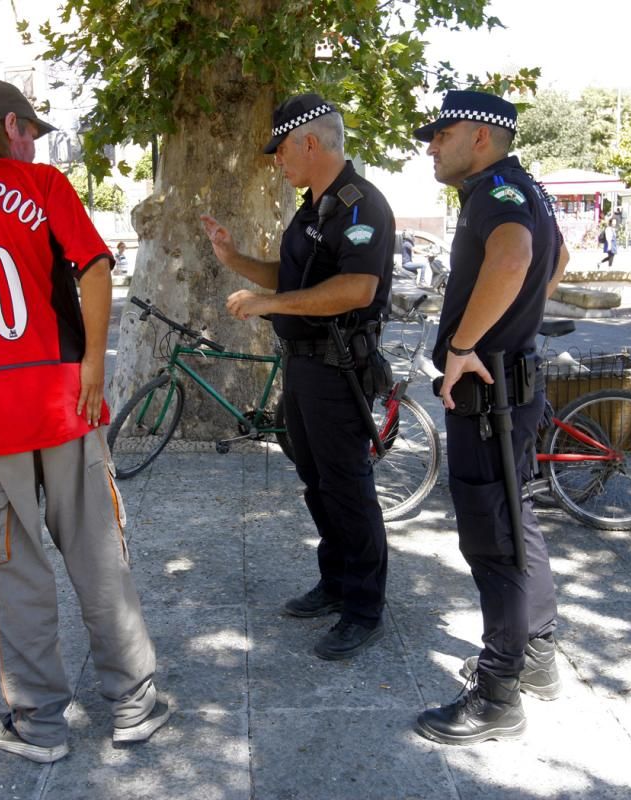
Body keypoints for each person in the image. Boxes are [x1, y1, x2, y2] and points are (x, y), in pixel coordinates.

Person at [0, 78, 169, 763]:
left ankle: (40, 726)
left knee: (10, 574)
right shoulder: (43, 185)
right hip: (63, 406)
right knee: (98, 557)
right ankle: (135, 707)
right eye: (33, 131)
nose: (36, 143)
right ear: (11, 125)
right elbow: (96, 268)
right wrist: (91, 367)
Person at [201, 93, 395, 661]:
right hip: (306, 365)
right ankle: (335, 582)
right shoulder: (315, 208)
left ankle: (364, 607)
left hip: (339, 369)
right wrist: (236, 259)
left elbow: (356, 289)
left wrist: (268, 303)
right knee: (316, 482)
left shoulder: (362, 207)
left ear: (310, 142)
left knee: (348, 487)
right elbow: (291, 278)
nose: (277, 161)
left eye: (281, 149)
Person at [413, 90, 570, 745]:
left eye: (440, 133)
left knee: (492, 540)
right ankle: (536, 655)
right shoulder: (526, 187)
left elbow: (515, 259)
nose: (430, 145)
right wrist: (515, 319)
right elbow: (555, 260)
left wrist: (465, 344)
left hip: (490, 397)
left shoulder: (494, 192)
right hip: (512, 386)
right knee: (517, 516)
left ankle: (499, 692)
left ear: (479, 135)